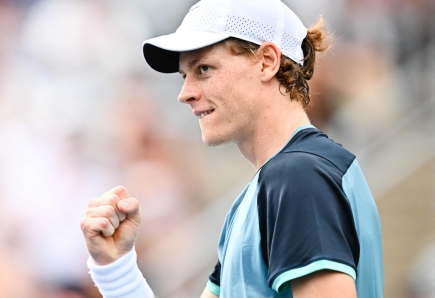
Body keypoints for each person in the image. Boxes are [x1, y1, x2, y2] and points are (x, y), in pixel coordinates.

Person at [79, 0, 384, 297]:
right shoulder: (272, 186)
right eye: (185, 76)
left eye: (204, 69)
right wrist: (116, 268)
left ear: (267, 61)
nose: (184, 94)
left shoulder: (297, 176)